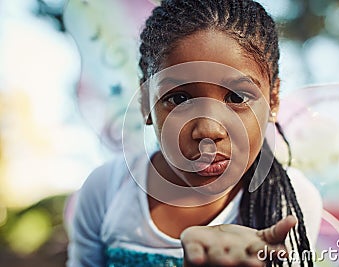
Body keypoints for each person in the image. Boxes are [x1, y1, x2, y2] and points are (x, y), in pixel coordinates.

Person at [67, 0, 322, 266]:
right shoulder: (105, 190)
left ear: (273, 100)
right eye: (178, 99)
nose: (208, 130)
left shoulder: (289, 202)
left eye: (236, 96)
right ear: (145, 103)